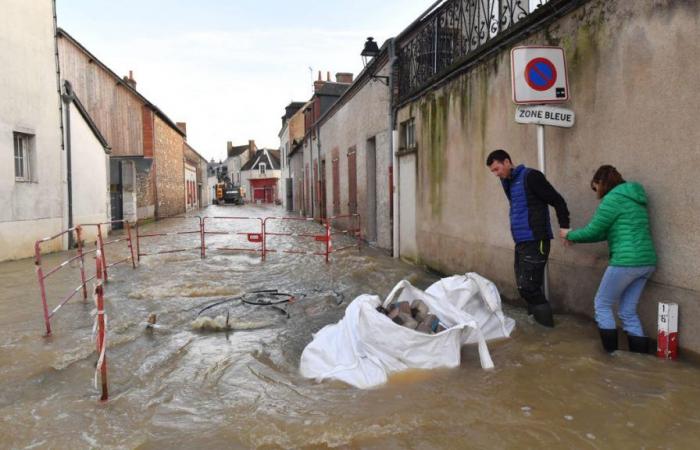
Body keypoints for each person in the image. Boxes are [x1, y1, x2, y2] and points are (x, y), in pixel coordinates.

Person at [561, 165, 656, 353]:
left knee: (602, 304)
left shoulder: (613, 199)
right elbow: (605, 232)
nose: (596, 193)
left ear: (601, 183)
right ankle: (640, 360)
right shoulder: (635, 198)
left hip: (625, 262)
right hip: (647, 262)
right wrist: (576, 238)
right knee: (627, 311)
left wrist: (569, 235)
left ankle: (611, 357)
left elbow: (594, 230)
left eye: (595, 187)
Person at [486, 150, 570, 327]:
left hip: (537, 239)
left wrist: (564, 227)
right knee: (523, 287)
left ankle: (548, 330)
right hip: (521, 241)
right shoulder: (507, 182)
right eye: (493, 171)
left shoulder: (531, 176)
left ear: (507, 162)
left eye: (497, 169)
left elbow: (558, 200)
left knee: (529, 287)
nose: (496, 174)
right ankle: (535, 327)